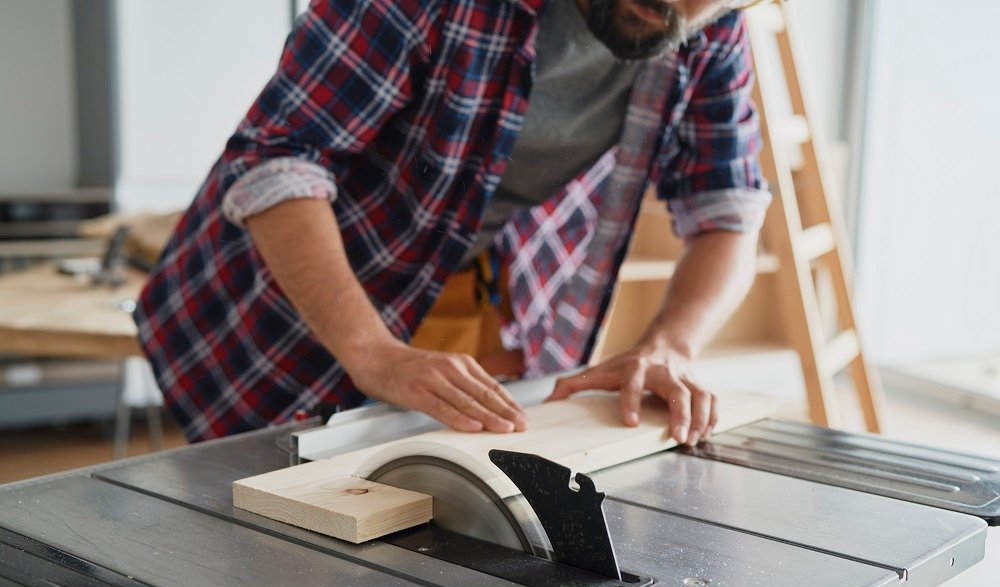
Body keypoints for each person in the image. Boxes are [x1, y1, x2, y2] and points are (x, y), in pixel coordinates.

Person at [135, 0, 772, 444]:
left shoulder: (712, 27)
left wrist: (670, 345)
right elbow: (279, 159)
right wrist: (371, 350)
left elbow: (727, 211)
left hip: (470, 284)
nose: (673, 8)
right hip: (273, 297)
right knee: (249, 534)